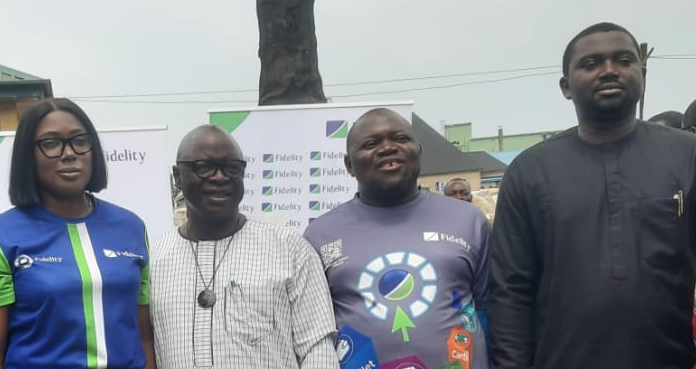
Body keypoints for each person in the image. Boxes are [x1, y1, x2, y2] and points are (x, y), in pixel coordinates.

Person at [488, 22, 696, 369]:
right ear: (566, 87)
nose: (610, 71)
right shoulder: (529, 171)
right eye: (591, 64)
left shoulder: (687, 156)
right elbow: (510, 290)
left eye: (624, 60)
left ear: (642, 74)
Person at [0, 98, 156, 369]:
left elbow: (143, 338)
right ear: (27, 156)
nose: (69, 153)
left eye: (79, 140)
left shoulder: (131, 228)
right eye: (51, 143)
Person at [304, 108, 491, 369]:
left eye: (401, 139)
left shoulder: (469, 220)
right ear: (349, 165)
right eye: (371, 144)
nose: (387, 148)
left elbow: (488, 312)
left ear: (418, 150)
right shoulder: (319, 235)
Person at [150, 125, 339, 368]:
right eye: (205, 167)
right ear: (178, 176)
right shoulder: (155, 259)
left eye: (233, 168)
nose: (220, 177)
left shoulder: (289, 249)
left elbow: (318, 350)